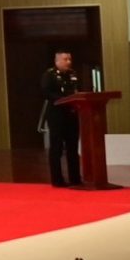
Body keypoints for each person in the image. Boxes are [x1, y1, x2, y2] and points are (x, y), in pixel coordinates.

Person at [42, 51, 83, 187]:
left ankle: (75, 178)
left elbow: (78, 90)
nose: (68, 62)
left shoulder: (73, 74)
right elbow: (46, 92)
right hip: (56, 115)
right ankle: (57, 179)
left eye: (69, 59)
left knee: (72, 147)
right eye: (65, 59)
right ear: (57, 61)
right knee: (57, 147)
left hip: (71, 114)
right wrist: (64, 99)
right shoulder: (50, 75)